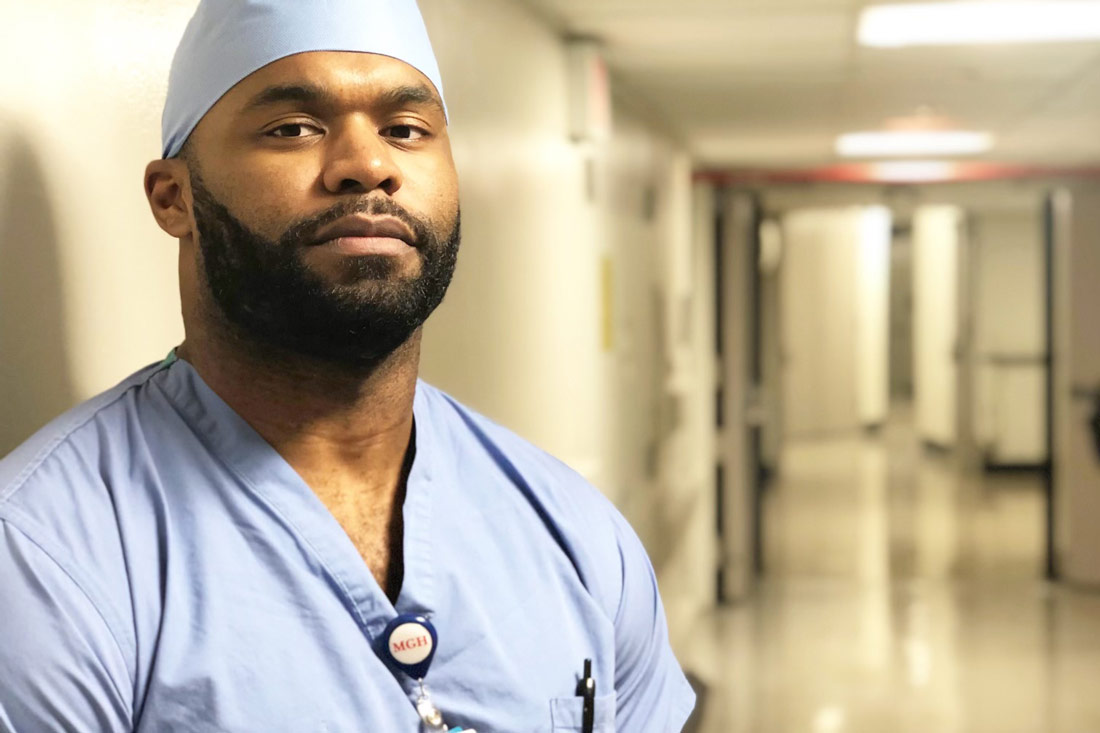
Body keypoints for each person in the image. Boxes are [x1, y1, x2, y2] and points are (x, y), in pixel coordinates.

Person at [0, 1, 696, 731]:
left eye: (405, 130)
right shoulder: (47, 561)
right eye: (294, 128)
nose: (369, 166)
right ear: (174, 197)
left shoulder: (576, 536)